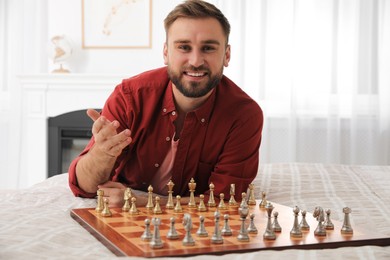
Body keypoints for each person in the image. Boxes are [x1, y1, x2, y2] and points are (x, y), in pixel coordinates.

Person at [68, 0, 263, 207]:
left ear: (227, 55)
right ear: (166, 53)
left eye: (208, 48)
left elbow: (227, 200)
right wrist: (101, 153)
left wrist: (145, 202)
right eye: (183, 47)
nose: (196, 61)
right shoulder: (129, 97)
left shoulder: (244, 115)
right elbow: (83, 187)